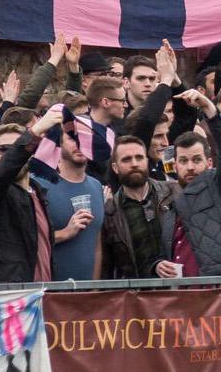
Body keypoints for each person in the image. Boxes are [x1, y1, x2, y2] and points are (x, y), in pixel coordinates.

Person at [168, 88, 221, 277]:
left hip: (217, 294)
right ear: (174, 165)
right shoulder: (166, 197)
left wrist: (209, 110)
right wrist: (157, 264)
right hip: (180, 296)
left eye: (196, 160)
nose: (190, 167)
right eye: (183, 161)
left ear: (209, 162)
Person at [101, 132, 179, 279]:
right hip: (137, 297)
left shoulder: (175, 192)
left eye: (139, 157)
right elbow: (107, 266)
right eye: (126, 159)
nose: (134, 164)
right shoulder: (110, 212)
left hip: (180, 291)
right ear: (115, 167)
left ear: (146, 161)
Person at [41, 109, 107, 282]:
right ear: (59, 141)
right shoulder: (40, 184)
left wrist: (94, 288)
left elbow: (96, 245)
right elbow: (27, 241)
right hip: (50, 296)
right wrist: (65, 233)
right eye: (72, 138)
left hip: (86, 300)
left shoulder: (96, 186)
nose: (79, 144)